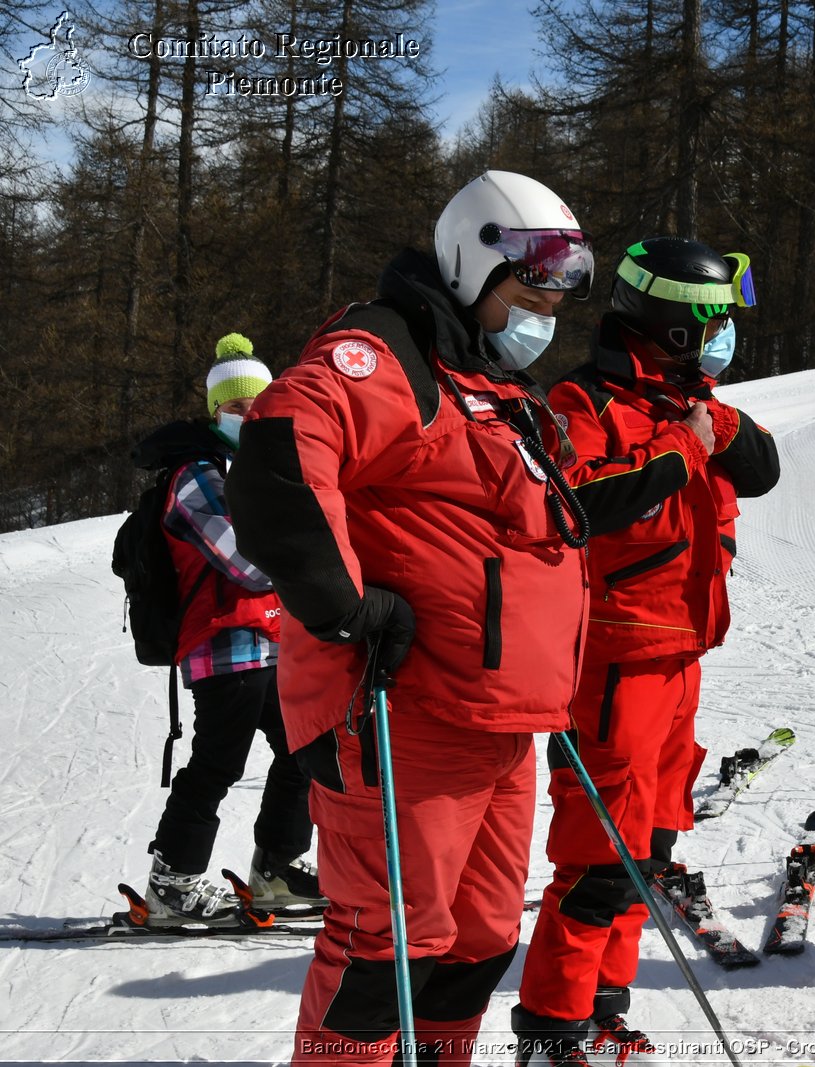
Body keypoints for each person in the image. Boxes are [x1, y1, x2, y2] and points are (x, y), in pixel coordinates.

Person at [224, 171, 595, 1066]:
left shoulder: (487, 385)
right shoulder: (388, 353)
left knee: (478, 941)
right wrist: (348, 608)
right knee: (386, 949)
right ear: (473, 265)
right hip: (402, 714)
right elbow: (280, 454)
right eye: (533, 282)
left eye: (562, 285)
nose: (549, 306)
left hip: (501, 723)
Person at [512, 236, 780, 1066]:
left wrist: (711, 425)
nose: (724, 336)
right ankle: (551, 1027)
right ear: (673, 326)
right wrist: (684, 446)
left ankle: (603, 1005)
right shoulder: (581, 400)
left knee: (647, 852)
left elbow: (763, 467)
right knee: (600, 855)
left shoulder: (689, 402)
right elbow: (583, 498)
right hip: (614, 659)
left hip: (679, 658)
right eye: (715, 321)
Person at [138, 333, 319, 924]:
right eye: (237, 407)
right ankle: (174, 884)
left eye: (257, 405)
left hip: (268, 639)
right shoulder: (197, 475)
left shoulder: (245, 469)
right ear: (216, 410)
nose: (249, 415)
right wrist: (311, 561)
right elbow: (244, 560)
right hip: (222, 644)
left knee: (300, 752)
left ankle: (277, 868)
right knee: (219, 761)